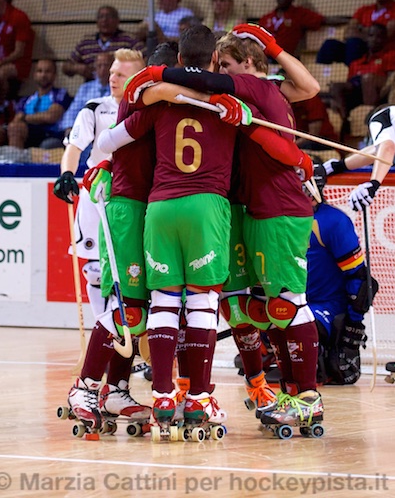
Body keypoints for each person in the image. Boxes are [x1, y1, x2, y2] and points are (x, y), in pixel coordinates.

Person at [128, 23, 324, 434]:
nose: (222, 75)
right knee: (258, 307)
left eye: (229, 66)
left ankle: (307, 398)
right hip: (251, 208)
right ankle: (283, 391)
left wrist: (158, 76)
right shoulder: (260, 90)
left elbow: (286, 138)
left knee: (287, 303)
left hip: (276, 207)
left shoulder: (255, 87)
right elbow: (302, 94)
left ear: (247, 64)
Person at [53, 48, 149, 434]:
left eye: (121, 73)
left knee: (131, 292)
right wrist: (67, 174)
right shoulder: (95, 108)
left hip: (132, 204)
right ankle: (98, 370)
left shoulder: (146, 109)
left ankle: (114, 384)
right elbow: (74, 149)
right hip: (99, 200)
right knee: (100, 280)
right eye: (112, 71)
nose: (113, 78)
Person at [303, 163, 377, 384]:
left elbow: (360, 279)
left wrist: (352, 328)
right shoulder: (281, 218)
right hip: (293, 300)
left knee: (300, 325)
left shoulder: (333, 221)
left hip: (326, 305)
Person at [323, 103, 395, 211]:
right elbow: (380, 151)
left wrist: (373, 184)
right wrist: (336, 166)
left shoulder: (383, 116)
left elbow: (387, 147)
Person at [0, 58, 71, 150]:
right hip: (26, 132)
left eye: (47, 71)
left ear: (54, 75)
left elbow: (51, 117)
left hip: (47, 133)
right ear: (34, 75)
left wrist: (25, 117)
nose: (43, 75)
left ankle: (15, 159)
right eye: (40, 71)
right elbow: (17, 119)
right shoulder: (26, 100)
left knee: (16, 128)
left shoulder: (60, 94)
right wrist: (29, 118)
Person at [317, 0, 395, 66]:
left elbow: (384, 36)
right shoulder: (363, 10)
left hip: (380, 52)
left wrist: (360, 29)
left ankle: (354, 74)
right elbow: (348, 33)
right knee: (329, 45)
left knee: (354, 43)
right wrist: (370, 33)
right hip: (356, 48)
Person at [329, 24, 395, 129]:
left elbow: (391, 81)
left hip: (381, 92)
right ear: (366, 38)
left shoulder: (390, 56)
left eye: (379, 36)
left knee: (368, 79)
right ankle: (345, 120)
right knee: (335, 87)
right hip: (358, 93)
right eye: (371, 35)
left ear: (385, 39)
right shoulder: (356, 63)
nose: (374, 39)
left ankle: (370, 115)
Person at [259, 0, 345, 58]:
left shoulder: (299, 14)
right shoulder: (265, 19)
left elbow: (324, 20)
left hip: (286, 59)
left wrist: (349, 21)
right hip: (265, 58)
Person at [62, 5, 144, 80]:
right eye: (101, 17)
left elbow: (145, 60)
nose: (104, 20)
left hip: (122, 85)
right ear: (97, 21)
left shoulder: (129, 40)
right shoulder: (86, 42)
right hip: (92, 87)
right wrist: (77, 68)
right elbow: (65, 66)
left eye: (109, 16)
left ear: (117, 20)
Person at [59, 51, 113, 134]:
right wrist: (69, 127)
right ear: (95, 68)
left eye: (106, 65)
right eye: (99, 65)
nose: (103, 69)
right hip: (84, 131)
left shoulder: (117, 88)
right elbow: (72, 111)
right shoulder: (85, 88)